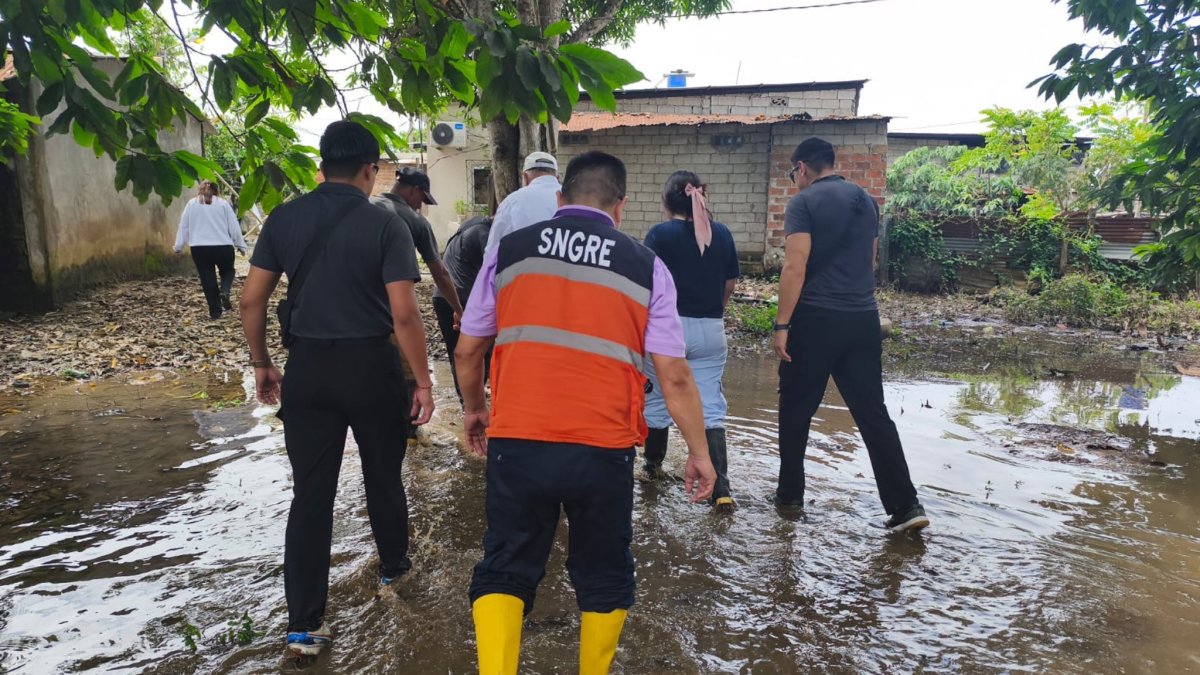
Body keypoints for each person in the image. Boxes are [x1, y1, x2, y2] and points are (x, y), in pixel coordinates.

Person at [454, 151, 717, 675]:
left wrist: (476, 409)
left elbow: (468, 350)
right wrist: (700, 453)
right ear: (620, 206)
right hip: (603, 447)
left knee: (505, 566)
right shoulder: (646, 266)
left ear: (559, 198)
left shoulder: (510, 251)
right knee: (604, 572)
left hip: (519, 440)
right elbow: (674, 375)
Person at [239, 120, 436, 657]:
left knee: (311, 495)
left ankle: (304, 628)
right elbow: (404, 315)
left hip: (308, 370)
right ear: (371, 169)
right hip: (372, 369)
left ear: (321, 168)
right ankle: (394, 573)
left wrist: (262, 363)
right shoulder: (387, 224)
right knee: (383, 477)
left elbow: (252, 300)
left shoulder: (284, 218)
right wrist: (422, 382)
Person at [772, 137, 929, 533]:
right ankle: (906, 506)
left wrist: (782, 324)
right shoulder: (866, 202)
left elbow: (795, 266)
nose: (794, 180)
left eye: (793, 174)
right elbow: (869, 260)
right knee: (872, 413)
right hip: (863, 319)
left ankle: (789, 498)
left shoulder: (803, 203)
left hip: (816, 319)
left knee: (796, 409)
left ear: (802, 167)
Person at [641, 171, 740, 511]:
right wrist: (714, 312)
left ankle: (652, 468)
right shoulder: (721, 233)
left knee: (656, 398)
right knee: (710, 406)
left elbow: (646, 284)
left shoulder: (659, 234)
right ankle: (721, 490)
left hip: (667, 330)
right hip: (711, 329)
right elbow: (730, 284)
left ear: (666, 203)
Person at [370, 168, 463, 438]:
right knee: (409, 370)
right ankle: (410, 432)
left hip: (353, 311)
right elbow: (440, 273)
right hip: (391, 308)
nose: (420, 206)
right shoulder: (412, 220)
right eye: (422, 200)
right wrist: (459, 310)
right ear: (415, 191)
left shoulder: (365, 206)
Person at [434, 215, 493, 404]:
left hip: (443, 296)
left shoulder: (470, 225)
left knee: (457, 352)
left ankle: (467, 401)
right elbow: (493, 274)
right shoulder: (484, 234)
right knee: (480, 350)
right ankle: (472, 402)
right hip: (464, 298)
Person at [173, 180, 247, 319]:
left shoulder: (191, 204)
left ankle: (215, 312)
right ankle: (225, 290)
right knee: (228, 271)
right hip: (223, 246)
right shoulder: (223, 204)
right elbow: (233, 226)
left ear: (200, 190)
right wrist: (240, 245)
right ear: (216, 190)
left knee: (207, 278)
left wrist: (178, 246)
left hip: (199, 248)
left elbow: (184, 226)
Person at [483, 151, 561, 253]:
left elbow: (492, 251)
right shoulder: (573, 199)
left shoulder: (511, 202)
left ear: (525, 177)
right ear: (557, 178)